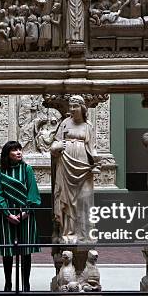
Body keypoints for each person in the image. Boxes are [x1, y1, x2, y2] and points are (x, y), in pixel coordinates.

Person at [50, 95, 99, 244]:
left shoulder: (88, 126)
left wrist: (96, 162)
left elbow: (93, 148)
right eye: (71, 106)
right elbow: (54, 145)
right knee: (67, 201)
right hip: (66, 165)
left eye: (75, 106)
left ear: (82, 107)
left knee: (84, 200)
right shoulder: (65, 123)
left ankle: (84, 234)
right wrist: (56, 147)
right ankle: (69, 233)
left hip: (83, 168)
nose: (72, 109)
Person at [0, 141, 41, 292]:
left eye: (19, 149)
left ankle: (26, 285)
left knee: (26, 252)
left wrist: (25, 212)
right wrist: (7, 214)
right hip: (7, 215)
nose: (19, 152)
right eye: (14, 150)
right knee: (8, 252)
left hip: (25, 215)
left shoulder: (27, 169)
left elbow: (32, 191)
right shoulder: (1, 172)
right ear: (7, 154)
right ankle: (8, 284)